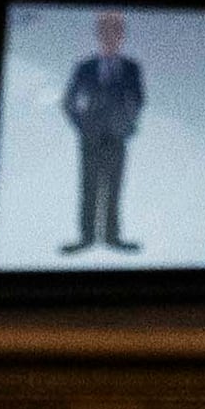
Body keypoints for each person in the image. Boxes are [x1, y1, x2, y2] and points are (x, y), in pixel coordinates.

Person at [64, 13, 144, 255]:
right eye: (105, 32)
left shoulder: (131, 68)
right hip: (91, 138)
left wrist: (128, 124)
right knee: (89, 186)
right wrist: (82, 126)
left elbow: (139, 100)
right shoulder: (85, 67)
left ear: (121, 36)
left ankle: (112, 236)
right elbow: (69, 102)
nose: (110, 38)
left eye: (115, 32)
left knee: (114, 187)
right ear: (99, 36)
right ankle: (86, 237)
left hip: (117, 137)